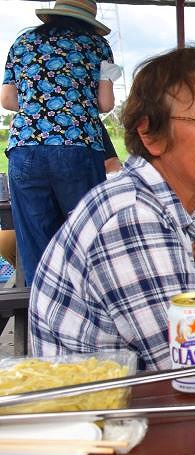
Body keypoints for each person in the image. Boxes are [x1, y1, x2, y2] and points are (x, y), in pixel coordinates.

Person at [29, 47, 195, 370]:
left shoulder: (192, 204)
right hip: (99, 414)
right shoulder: (132, 217)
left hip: (146, 401)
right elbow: (189, 370)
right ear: (150, 134)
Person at [1, 0, 121, 285]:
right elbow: (105, 103)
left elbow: (6, 99)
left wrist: (37, 109)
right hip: (79, 146)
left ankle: (41, 317)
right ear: (89, 20)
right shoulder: (98, 46)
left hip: (25, 147)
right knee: (85, 237)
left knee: (34, 242)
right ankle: (83, 314)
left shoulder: (23, 42)